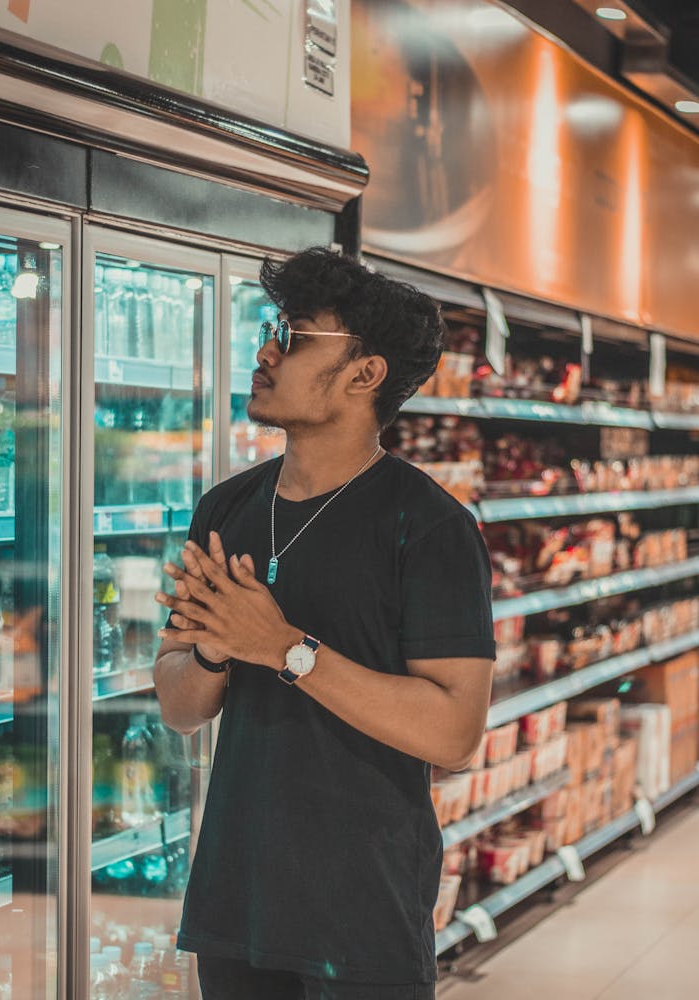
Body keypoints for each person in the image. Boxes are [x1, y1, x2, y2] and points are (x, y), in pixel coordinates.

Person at [153, 247, 495, 1000]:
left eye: (298, 335)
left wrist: (282, 648)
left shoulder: (430, 527)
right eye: (272, 330)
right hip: (235, 894)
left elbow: (454, 732)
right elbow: (179, 709)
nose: (267, 351)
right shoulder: (225, 509)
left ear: (366, 374)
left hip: (363, 910)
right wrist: (213, 649)